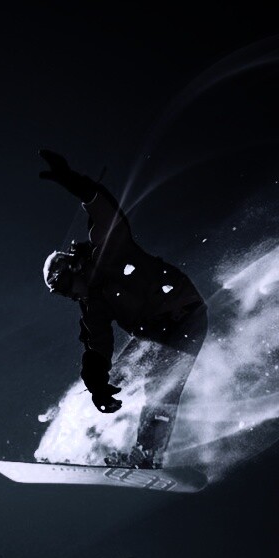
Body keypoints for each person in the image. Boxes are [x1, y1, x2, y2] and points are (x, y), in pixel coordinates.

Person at [39, 149, 207, 469]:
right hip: (152, 331)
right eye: (61, 294)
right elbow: (97, 343)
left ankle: (147, 454)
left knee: (162, 385)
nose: (69, 296)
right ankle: (77, 449)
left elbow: (105, 213)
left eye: (66, 287)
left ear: (74, 268)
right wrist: (97, 384)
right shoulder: (92, 303)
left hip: (183, 314)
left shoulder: (110, 251)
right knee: (115, 377)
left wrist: (76, 183)